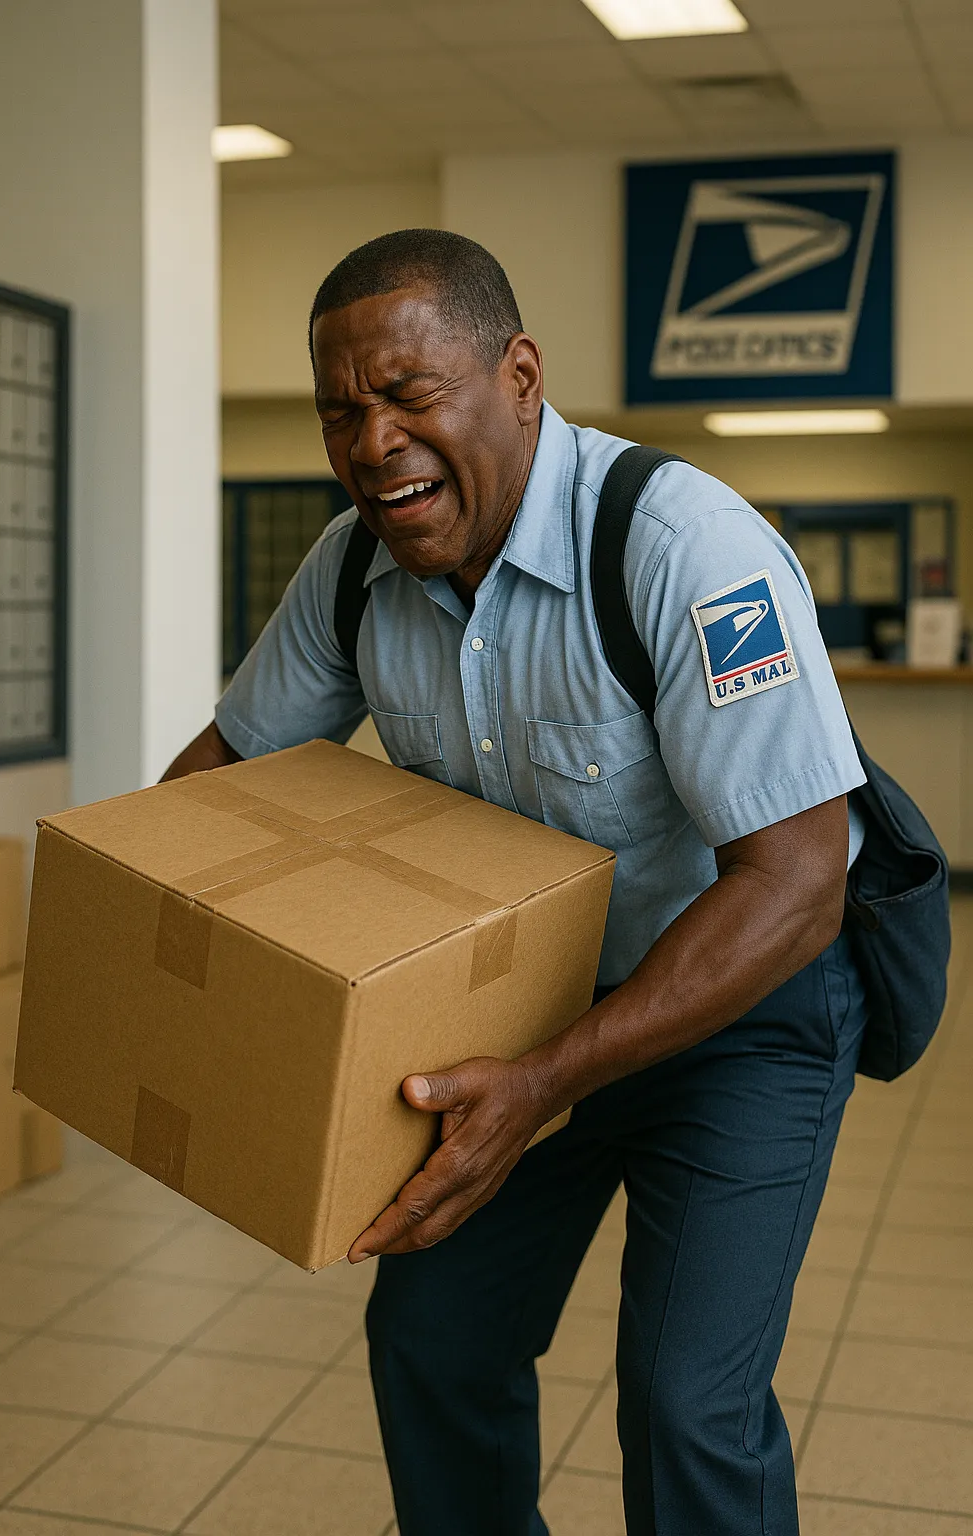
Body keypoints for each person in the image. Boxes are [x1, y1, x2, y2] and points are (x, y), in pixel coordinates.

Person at [164, 228, 867, 1536]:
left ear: (521, 376)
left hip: (739, 1013)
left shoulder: (682, 547)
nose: (373, 442)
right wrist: (152, 929)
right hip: (519, 1020)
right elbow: (226, 776)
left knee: (682, 1404)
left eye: (410, 395)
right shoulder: (354, 569)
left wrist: (548, 1080)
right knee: (431, 1344)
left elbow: (797, 883)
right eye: (340, 410)